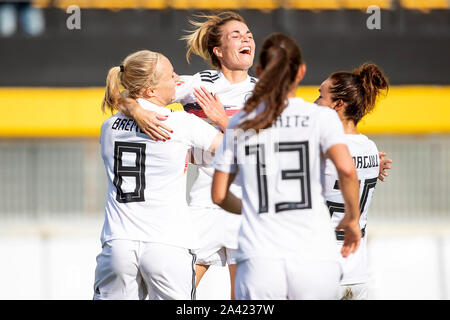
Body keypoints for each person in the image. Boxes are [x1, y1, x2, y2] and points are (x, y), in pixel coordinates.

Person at [211, 33, 362, 299]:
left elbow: (219, 195)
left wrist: (253, 207)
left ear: (259, 71)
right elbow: (348, 170)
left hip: (259, 257)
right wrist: (352, 218)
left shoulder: (240, 121)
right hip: (313, 255)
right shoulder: (321, 117)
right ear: (301, 72)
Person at [119, 12, 256, 299]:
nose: (246, 39)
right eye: (237, 35)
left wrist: (222, 119)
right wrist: (138, 111)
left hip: (248, 201)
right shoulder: (196, 84)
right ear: (218, 51)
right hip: (204, 198)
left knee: (245, 297)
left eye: (249, 35)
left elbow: (263, 153)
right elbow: (127, 93)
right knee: (179, 292)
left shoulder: (263, 93)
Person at [93, 50, 223, 300]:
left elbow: (121, 102)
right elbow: (238, 150)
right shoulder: (181, 123)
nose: (178, 80)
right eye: (171, 75)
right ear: (150, 90)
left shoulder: (108, 127)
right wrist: (221, 119)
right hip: (168, 245)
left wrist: (132, 107)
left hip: (119, 244)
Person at [315, 62, 390, 300]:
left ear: (338, 104)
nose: (314, 103)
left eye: (320, 96)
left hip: (322, 271)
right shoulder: (370, 147)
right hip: (357, 273)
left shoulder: (322, 146)